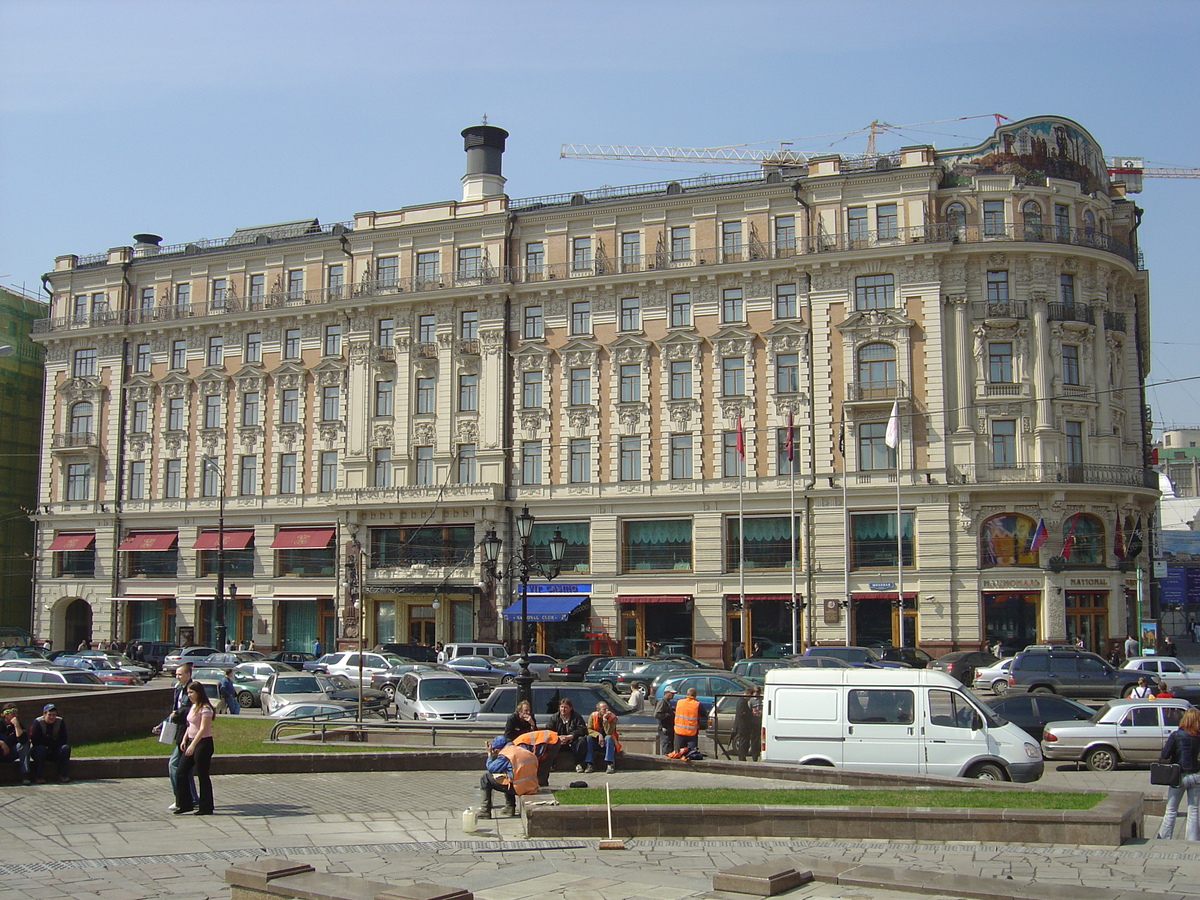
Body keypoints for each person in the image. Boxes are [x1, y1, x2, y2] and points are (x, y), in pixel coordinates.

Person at [154, 663, 197, 812]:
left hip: (188, 733)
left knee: (174, 765)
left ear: (188, 675)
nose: (177, 677)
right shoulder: (178, 689)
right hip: (179, 732)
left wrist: (176, 716)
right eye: (176, 674)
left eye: (180, 674)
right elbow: (175, 711)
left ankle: (180, 798)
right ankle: (192, 798)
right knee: (186, 768)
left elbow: (189, 711)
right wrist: (162, 725)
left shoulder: (192, 690)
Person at [1157, 706, 1200, 841]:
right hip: (1197, 775)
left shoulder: (1176, 735)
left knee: (1171, 810)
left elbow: (1164, 754)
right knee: (1193, 811)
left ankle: (1164, 838)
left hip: (1178, 776)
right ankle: (1192, 840)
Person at [174, 680, 215, 815]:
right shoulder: (193, 707)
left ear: (199, 693)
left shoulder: (205, 708)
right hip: (191, 740)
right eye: (188, 693)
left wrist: (193, 745)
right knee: (181, 772)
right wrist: (185, 739)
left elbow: (203, 728)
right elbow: (190, 725)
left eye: (192, 692)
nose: (189, 695)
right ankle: (185, 804)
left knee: (202, 774)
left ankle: (206, 807)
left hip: (203, 743)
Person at [480, 736, 538, 818]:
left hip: (518, 788)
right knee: (507, 776)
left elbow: (491, 768)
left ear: (497, 750)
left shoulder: (506, 755)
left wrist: (490, 754)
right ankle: (509, 808)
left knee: (485, 778)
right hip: (532, 787)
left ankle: (485, 811)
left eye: (496, 752)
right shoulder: (524, 751)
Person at [29, 703, 70, 784]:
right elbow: (35, 740)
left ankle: (63, 775)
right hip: (39, 750)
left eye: (54, 715)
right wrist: (47, 746)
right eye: (49, 715)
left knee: (65, 748)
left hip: (54, 749)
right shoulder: (38, 722)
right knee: (40, 749)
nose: (52, 717)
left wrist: (51, 746)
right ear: (44, 714)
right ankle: (39, 776)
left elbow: (63, 739)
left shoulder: (60, 721)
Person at [548, 698, 588, 775]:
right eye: (562, 707)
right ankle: (551, 765)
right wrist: (558, 737)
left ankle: (579, 764)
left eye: (566, 707)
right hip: (558, 741)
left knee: (582, 741)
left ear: (570, 708)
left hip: (572, 741)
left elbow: (582, 730)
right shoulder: (554, 718)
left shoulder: (577, 717)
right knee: (549, 742)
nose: (563, 709)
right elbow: (548, 730)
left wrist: (570, 737)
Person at [586, 701, 621, 775]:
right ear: (598, 710)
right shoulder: (593, 716)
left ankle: (610, 763)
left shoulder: (612, 717)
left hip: (608, 743)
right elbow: (589, 729)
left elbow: (609, 732)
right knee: (589, 738)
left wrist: (605, 720)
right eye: (604, 709)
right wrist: (598, 735)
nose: (607, 711)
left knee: (608, 738)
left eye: (607, 709)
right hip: (597, 741)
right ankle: (590, 764)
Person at [0, 706, 30, 785]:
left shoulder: (19, 725)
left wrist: (16, 725)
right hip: (1, 752)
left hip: (11, 753)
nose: (15, 715)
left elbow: (23, 740)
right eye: (12, 713)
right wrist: (1, 743)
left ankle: (25, 775)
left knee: (23, 745)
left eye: (16, 713)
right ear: (5, 714)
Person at [731, 686, 763, 762]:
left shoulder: (743, 701)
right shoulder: (742, 701)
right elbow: (742, 714)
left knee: (746, 742)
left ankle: (744, 757)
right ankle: (742, 757)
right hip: (743, 726)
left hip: (747, 726)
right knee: (743, 742)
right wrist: (751, 714)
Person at [673, 687, 705, 757]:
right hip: (691, 733)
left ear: (687, 694)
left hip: (679, 732)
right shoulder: (697, 704)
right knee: (691, 754)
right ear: (695, 695)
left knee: (679, 753)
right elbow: (704, 714)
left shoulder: (679, 702)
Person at [654, 688, 677, 755]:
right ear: (666, 693)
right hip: (664, 728)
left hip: (669, 729)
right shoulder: (662, 702)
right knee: (666, 747)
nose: (673, 695)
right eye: (672, 693)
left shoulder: (667, 702)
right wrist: (667, 715)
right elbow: (656, 714)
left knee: (669, 747)